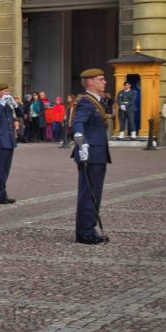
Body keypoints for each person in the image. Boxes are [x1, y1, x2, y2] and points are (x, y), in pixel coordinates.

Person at [72, 69, 112, 244]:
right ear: (89, 82)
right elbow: (78, 122)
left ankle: (90, 228)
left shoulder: (97, 101)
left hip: (98, 154)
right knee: (88, 194)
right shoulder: (87, 102)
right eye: (100, 79)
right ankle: (84, 232)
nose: (104, 82)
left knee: (95, 193)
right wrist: (82, 144)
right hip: (90, 154)